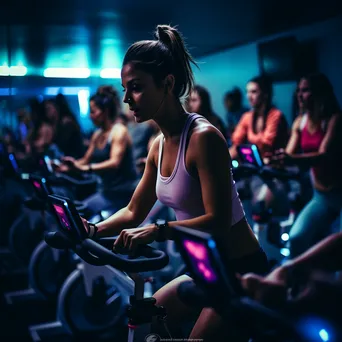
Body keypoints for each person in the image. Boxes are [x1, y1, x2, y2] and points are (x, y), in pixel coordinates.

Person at [81, 24, 268, 341]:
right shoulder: (159, 144)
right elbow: (133, 210)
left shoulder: (203, 138)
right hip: (203, 266)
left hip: (238, 269)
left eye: (136, 87)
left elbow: (219, 221)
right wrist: (93, 231)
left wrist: (159, 230)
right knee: (145, 319)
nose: (127, 98)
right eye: (125, 88)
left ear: (167, 84)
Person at [270, 73, 342, 258]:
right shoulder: (299, 122)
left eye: (306, 90)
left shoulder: (334, 119)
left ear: (320, 93)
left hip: (339, 193)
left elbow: (324, 155)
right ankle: (296, 283)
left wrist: (290, 159)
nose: (300, 95)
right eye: (299, 91)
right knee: (296, 238)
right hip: (321, 196)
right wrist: (277, 160)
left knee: (336, 249)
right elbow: (290, 154)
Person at [55, 86, 137, 213]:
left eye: (93, 111)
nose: (90, 116)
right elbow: (86, 160)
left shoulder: (119, 131)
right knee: (76, 211)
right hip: (105, 191)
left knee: (81, 212)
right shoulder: (97, 134)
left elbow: (114, 163)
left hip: (123, 195)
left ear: (105, 112)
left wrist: (86, 168)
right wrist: (70, 167)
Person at [229, 75, 288, 160]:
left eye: (253, 92)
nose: (248, 96)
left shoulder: (276, 115)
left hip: (274, 164)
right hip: (255, 163)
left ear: (265, 94)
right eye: (247, 92)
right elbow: (236, 141)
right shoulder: (247, 116)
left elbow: (266, 146)